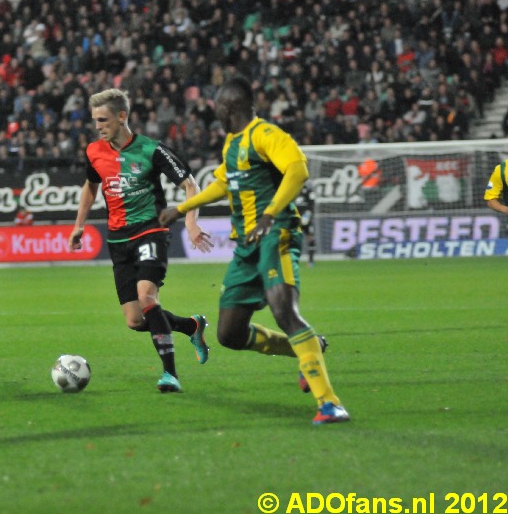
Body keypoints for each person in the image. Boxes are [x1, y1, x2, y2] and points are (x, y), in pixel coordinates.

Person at [159, 77, 349, 424]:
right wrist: (182, 208)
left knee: (283, 310)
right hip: (246, 246)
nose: (215, 112)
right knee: (229, 334)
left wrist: (270, 213)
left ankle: (329, 403)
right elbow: (221, 184)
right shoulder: (232, 144)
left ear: (230, 107)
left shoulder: (266, 135)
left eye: (218, 106)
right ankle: (310, 348)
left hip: (276, 233)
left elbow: (298, 169)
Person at [68, 88, 214, 393]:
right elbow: (91, 188)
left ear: (122, 117)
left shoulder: (152, 150)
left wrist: (190, 222)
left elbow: (191, 185)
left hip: (150, 231)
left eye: (103, 119)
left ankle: (170, 374)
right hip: (118, 239)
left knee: (148, 298)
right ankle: (191, 326)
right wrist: (79, 225)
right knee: (135, 320)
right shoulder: (94, 151)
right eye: (95, 120)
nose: (98, 126)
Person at [294, 180, 317, 267]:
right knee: (294, 239)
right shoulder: (293, 189)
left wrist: (307, 215)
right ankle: (294, 259)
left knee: (310, 238)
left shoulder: (308, 190)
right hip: (295, 218)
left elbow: (312, 205)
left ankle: (311, 260)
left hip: (306, 219)